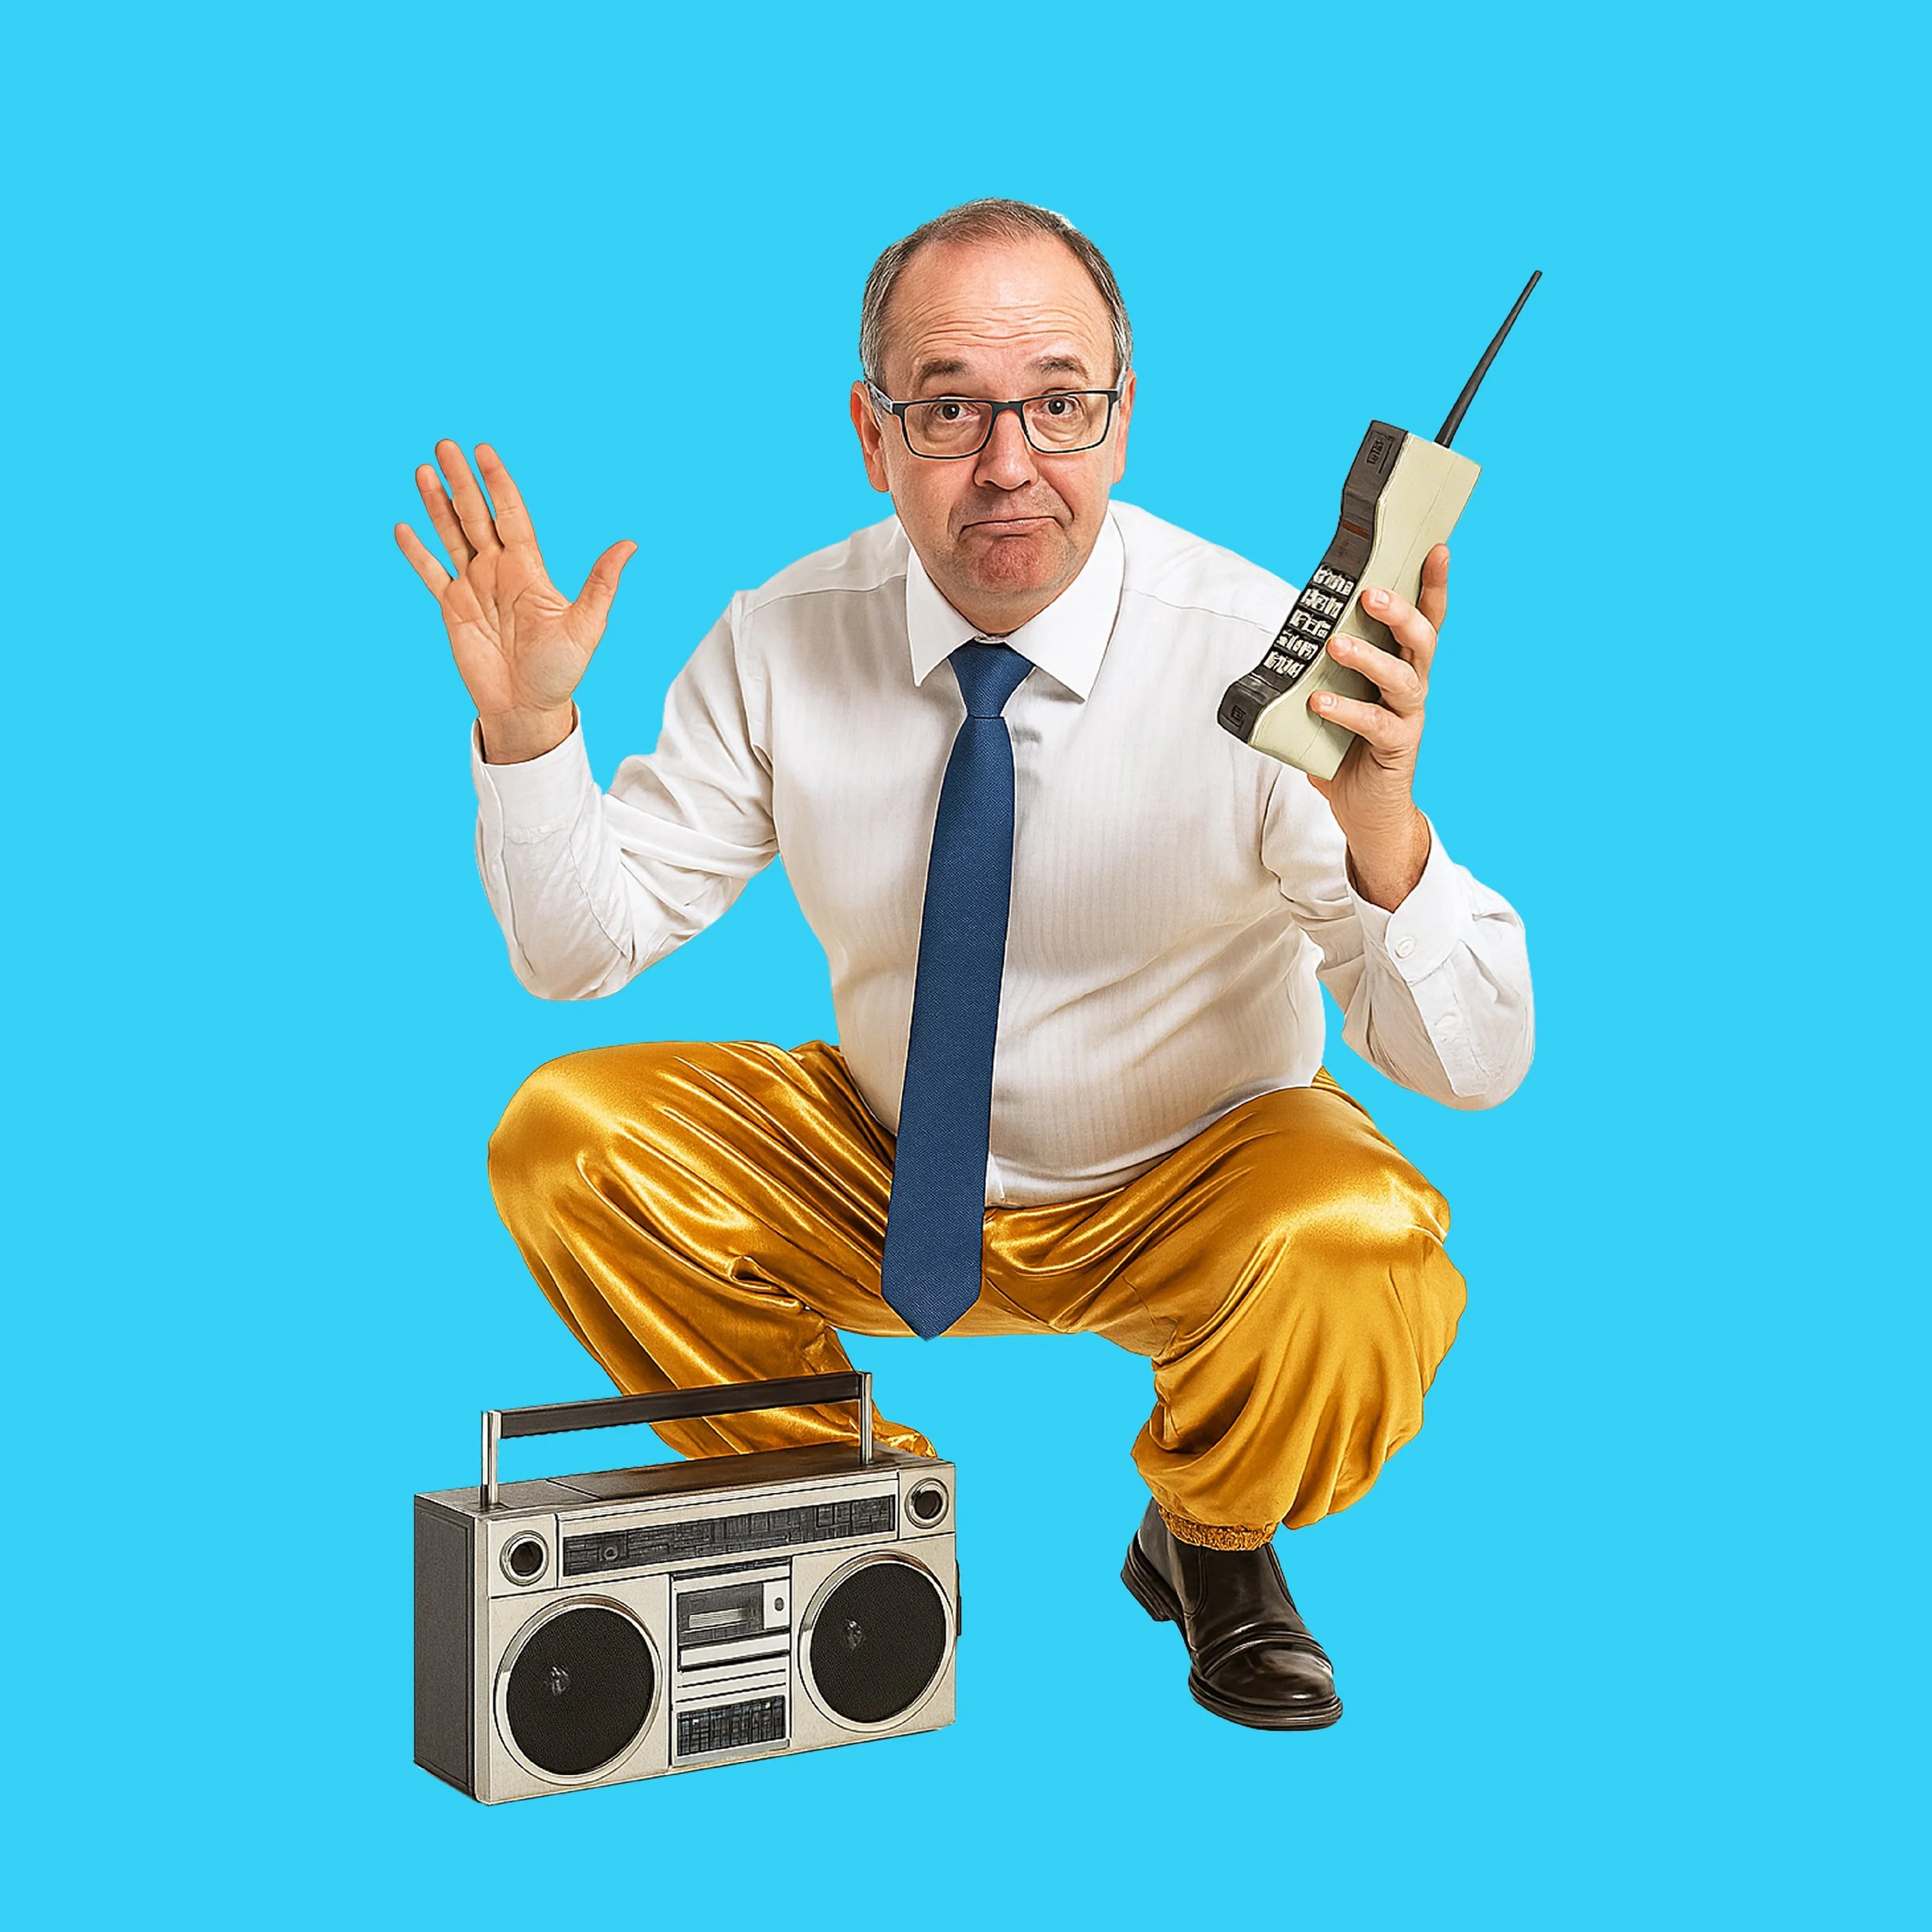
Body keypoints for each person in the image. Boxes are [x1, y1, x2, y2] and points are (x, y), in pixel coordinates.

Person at [393, 199, 1534, 1733]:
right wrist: (532, 731)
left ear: (1122, 422)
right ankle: (858, 1513)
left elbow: (1472, 1066)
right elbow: (581, 949)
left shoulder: (1261, 648)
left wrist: (1382, 827)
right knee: (564, 1138)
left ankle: (1209, 1533)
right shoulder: (780, 636)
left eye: (1057, 403)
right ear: (872, 433)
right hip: (880, 1156)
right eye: (949, 408)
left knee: (1361, 1241)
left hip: (1191, 1180)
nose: (1007, 465)